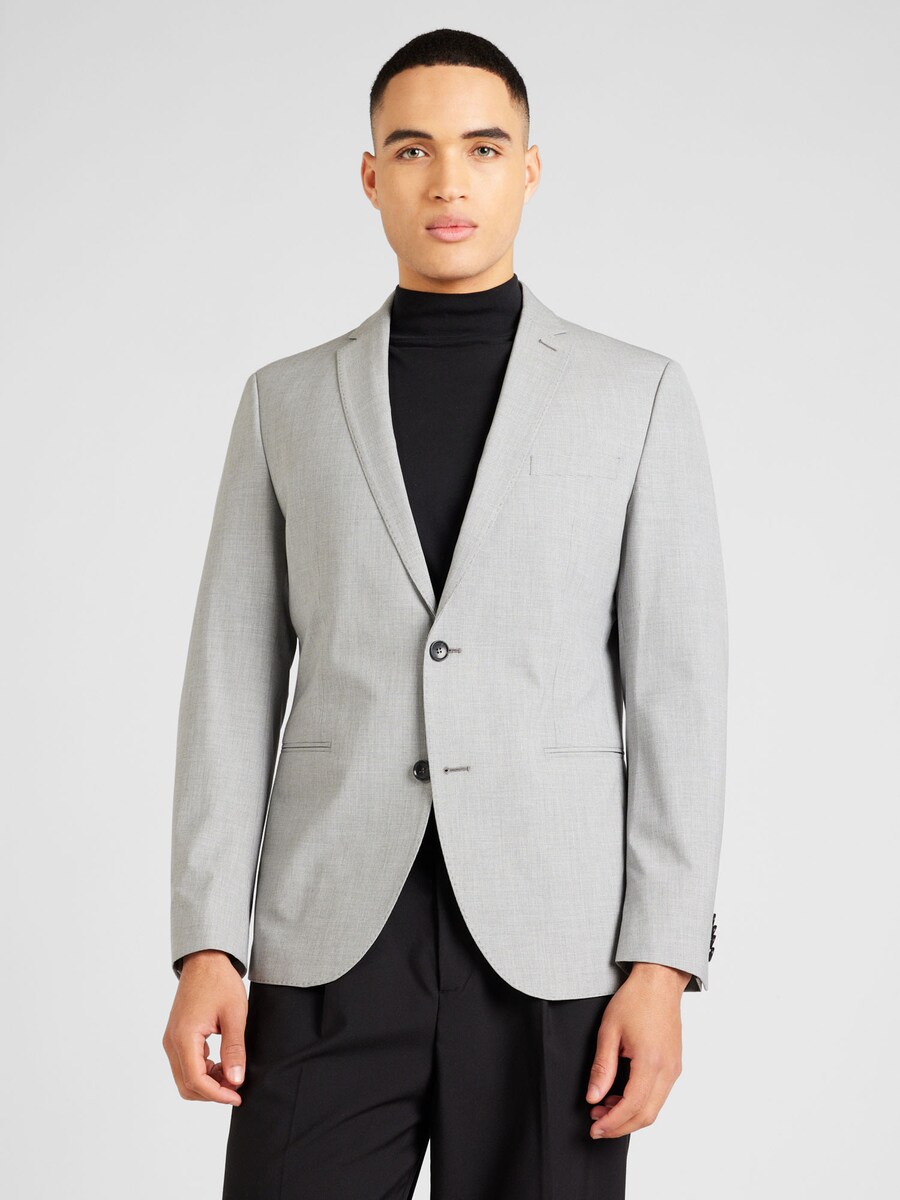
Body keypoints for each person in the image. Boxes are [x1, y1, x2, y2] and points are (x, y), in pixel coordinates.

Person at [162, 27, 728, 1200]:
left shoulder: (636, 396)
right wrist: (207, 941)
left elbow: (679, 694)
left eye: (484, 147)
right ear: (372, 175)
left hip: (556, 952)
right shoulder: (284, 404)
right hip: (329, 941)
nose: (448, 181)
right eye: (414, 150)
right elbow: (228, 685)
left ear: (530, 168)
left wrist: (663, 961)